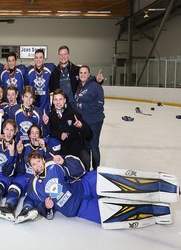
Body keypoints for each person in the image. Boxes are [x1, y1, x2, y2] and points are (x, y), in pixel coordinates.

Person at [16, 150, 177, 229]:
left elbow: (79, 169)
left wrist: (64, 161)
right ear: (31, 168)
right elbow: (40, 207)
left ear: (43, 160)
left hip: (85, 186)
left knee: (114, 182)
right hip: (80, 208)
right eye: (34, 165)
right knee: (113, 214)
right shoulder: (35, 186)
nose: (37, 166)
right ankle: (156, 211)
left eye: (38, 161)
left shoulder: (54, 165)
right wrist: (47, 208)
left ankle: (161, 186)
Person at [0, 124, 61, 222]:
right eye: (32, 133)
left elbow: (50, 165)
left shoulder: (44, 147)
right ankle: (9, 207)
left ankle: (26, 210)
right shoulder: (24, 146)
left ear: (40, 136)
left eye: (37, 133)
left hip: (37, 179)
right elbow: (20, 169)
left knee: (31, 195)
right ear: (29, 136)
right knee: (15, 186)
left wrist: (45, 148)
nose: (34, 135)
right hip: (24, 176)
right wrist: (19, 153)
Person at [44, 89, 92, 170]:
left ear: (65, 100)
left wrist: (81, 126)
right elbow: (48, 133)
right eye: (55, 99)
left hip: (75, 147)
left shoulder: (73, 113)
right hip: (60, 150)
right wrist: (46, 124)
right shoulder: (50, 115)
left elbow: (89, 134)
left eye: (60, 99)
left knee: (85, 156)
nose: (58, 102)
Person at [75, 65, 105, 170]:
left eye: (85, 73)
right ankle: (87, 170)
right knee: (86, 147)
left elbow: (99, 104)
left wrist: (83, 106)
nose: (83, 75)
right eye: (81, 73)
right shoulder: (79, 87)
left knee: (94, 147)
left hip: (94, 122)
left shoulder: (95, 86)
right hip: (84, 123)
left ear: (89, 75)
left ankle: (96, 171)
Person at [26, 49, 54, 113]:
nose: (38, 60)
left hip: (45, 108)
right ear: (34, 59)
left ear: (44, 59)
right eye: (36, 58)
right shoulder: (29, 71)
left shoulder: (49, 70)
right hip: (32, 108)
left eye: (40, 58)